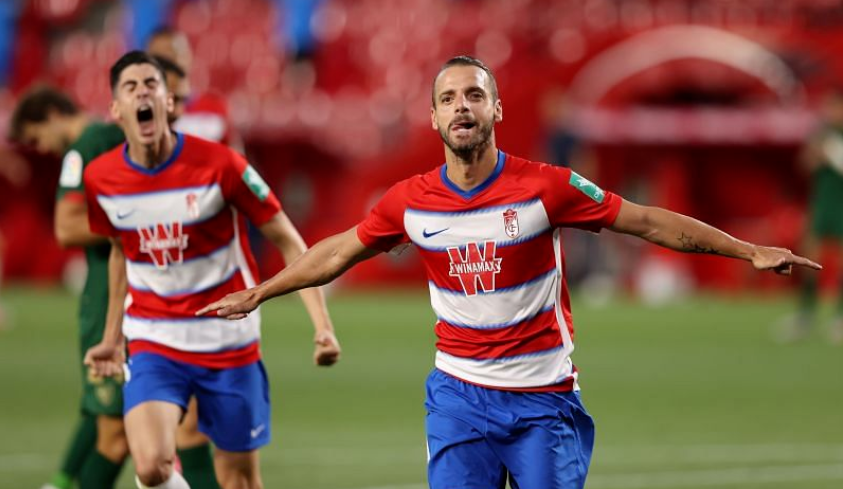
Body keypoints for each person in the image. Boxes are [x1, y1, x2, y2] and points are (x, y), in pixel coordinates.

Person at [197, 56, 822, 489]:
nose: (461, 107)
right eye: (448, 98)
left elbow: (648, 222)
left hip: (543, 400)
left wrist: (747, 250)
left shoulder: (547, 188)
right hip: (458, 397)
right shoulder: (410, 202)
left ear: (495, 108)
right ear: (433, 118)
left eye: (474, 95)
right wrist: (261, 292)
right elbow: (338, 250)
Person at [83, 51, 339, 489]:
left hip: (228, 339)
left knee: (239, 479)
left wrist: (323, 326)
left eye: (151, 84)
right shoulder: (100, 179)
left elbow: (287, 238)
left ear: (168, 102)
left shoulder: (222, 165)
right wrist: (111, 338)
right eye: (131, 87)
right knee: (151, 467)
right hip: (154, 338)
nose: (142, 93)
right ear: (116, 109)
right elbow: (119, 252)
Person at [10, 86, 128, 489]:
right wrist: (141, 220)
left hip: (108, 298)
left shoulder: (83, 148)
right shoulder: (113, 136)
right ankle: (59, 483)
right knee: (113, 424)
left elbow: (65, 228)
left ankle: (59, 483)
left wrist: (137, 220)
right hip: (120, 293)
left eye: (37, 137)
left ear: (52, 115)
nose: (42, 148)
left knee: (116, 428)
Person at [778, 89, 843, 344]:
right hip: (822, 204)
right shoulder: (822, 134)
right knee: (808, 258)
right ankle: (806, 315)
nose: (831, 112)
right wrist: (816, 155)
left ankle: (840, 318)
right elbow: (804, 165)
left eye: (836, 107)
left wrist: (835, 156)